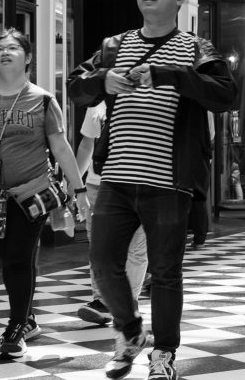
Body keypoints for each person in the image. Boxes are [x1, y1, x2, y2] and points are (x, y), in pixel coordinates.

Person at [68, 0, 237, 380]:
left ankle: (163, 354)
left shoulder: (197, 49)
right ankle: (129, 330)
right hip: (117, 180)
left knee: (165, 274)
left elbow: (226, 94)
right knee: (103, 264)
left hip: (169, 182)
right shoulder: (114, 45)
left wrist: (169, 74)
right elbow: (75, 86)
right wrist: (101, 81)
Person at [0, 28, 88, 360]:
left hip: (33, 193)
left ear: (28, 57)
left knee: (19, 256)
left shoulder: (43, 100)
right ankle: (28, 318)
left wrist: (79, 190)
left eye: (13, 48)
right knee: (8, 259)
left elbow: (60, 148)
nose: (5, 52)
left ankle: (16, 326)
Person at [75, 102, 148, 325]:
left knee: (136, 247)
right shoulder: (99, 100)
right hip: (99, 183)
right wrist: (76, 183)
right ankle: (102, 301)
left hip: (143, 182)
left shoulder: (152, 92)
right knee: (99, 247)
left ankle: (129, 302)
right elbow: (87, 145)